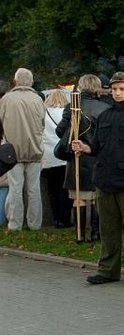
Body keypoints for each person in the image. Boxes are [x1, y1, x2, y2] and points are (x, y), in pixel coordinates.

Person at [71, 72, 124, 287]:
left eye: (122, 89)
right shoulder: (105, 115)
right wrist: (84, 147)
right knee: (108, 228)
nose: (117, 93)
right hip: (105, 179)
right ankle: (108, 270)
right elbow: (97, 146)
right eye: (114, 89)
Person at [56, 75, 112, 243]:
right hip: (95, 157)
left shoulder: (71, 106)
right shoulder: (104, 108)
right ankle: (96, 233)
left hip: (76, 157)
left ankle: (79, 234)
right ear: (96, 87)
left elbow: (60, 131)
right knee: (96, 197)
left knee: (78, 198)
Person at [0, 68, 45, 231]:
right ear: (31, 81)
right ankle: (35, 224)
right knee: (34, 189)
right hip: (34, 149)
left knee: (15, 187)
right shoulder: (37, 99)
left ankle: (15, 224)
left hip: (11, 152)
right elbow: (42, 123)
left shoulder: (6, 99)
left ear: (16, 81)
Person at [41, 90, 72, 229]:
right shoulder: (67, 113)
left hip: (48, 156)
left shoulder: (44, 113)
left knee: (52, 189)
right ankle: (64, 219)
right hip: (64, 155)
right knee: (65, 189)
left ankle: (55, 219)